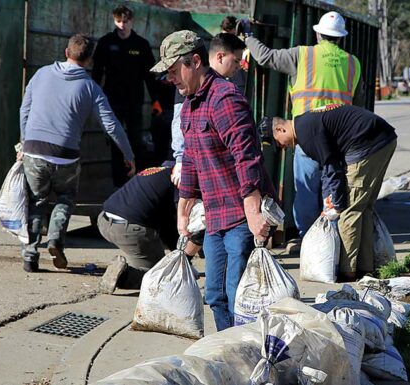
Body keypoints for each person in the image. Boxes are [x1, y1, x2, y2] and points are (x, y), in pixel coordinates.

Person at [152, 30, 276, 331]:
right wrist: (184, 207)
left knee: (237, 294)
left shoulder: (225, 99)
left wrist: (253, 211)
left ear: (195, 61)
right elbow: (191, 159)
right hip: (215, 215)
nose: (172, 79)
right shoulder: (190, 107)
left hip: (239, 214)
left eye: (174, 71)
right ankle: (228, 352)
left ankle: (248, 353)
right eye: (167, 73)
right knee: (216, 295)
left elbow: (247, 157)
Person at [18, 34, 135, 273]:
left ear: (66, 51)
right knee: (65, 198)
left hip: (35, 150)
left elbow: (24, 110)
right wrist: (128, 154)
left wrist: (24, 143)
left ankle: (30, 255)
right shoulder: (90, 87)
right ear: (90, 60)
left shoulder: (40, 74)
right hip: (66, 154)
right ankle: (55, 240)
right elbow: (111, 124)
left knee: (36, 202)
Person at [242, 11, 365, 239]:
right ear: (341, 37)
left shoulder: (303, 55)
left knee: (307, 191)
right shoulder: (353, 64)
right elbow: (359, 106)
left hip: (306, 138)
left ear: (318, 34)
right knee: (334, 190)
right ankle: (333, 239)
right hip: (339, 141)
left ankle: (308, 239)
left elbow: (265, 57)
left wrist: (248, 35)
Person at [272, 104, 397, 281]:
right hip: (382, 140)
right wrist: (329, 199)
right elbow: (329, 166)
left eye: (278, 142)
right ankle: (365, 268)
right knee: (362, 209)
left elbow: (333, 167)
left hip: (367, 146)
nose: (282, 147)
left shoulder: (306, 134)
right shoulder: (306, 124)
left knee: (349, 212)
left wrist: (336, 202)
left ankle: (348, 272)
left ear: (280, 128)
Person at [97, 161, 204, 294]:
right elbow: (175, 227)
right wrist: (182, 264)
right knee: (162, 277)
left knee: (161, 262)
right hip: (129, 230)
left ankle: (134, 263)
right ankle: (123, 277)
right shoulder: (182, 181)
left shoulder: (163, 170)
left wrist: (181, 259)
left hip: (104, 220)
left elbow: (167, 225)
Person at [92, 4, 161, 186]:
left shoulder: (141, 45)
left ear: (132, 21)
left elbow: (150, 76)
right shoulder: (106, 43)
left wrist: (156, 100)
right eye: (118, 21)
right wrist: (91, 98)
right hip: (111, 101)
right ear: (114, 21)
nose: (122, 25)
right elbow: (97, 73)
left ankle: (136, 179)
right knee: (115, 140)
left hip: (134, 101)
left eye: (125, 21)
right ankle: (118, 181)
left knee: (135, 140)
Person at [169, 33, 248, 186]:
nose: (238, 67)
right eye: (236, 61)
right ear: (220, 57)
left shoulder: (224, 89)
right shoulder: (188, 85)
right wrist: (180, 161)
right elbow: (180, 124)